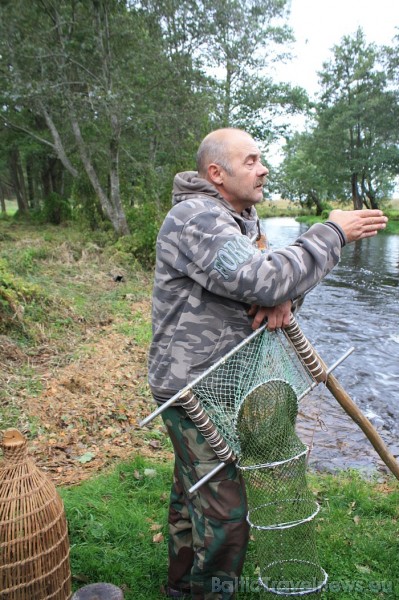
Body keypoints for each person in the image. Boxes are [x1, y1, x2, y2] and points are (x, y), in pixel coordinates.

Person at [147, 128, 387, 599]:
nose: (264, 168)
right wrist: (333, 232)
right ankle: (209, 591)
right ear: (217, 173)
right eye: (252, 160)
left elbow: (273, 281)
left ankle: (183, 587)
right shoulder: (196, 217)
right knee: (226, 516)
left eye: (262, 159)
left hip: (223, 384)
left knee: (193, 492)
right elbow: (264, 277)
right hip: (191, 388)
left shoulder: (241, 218)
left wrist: (286, 300)